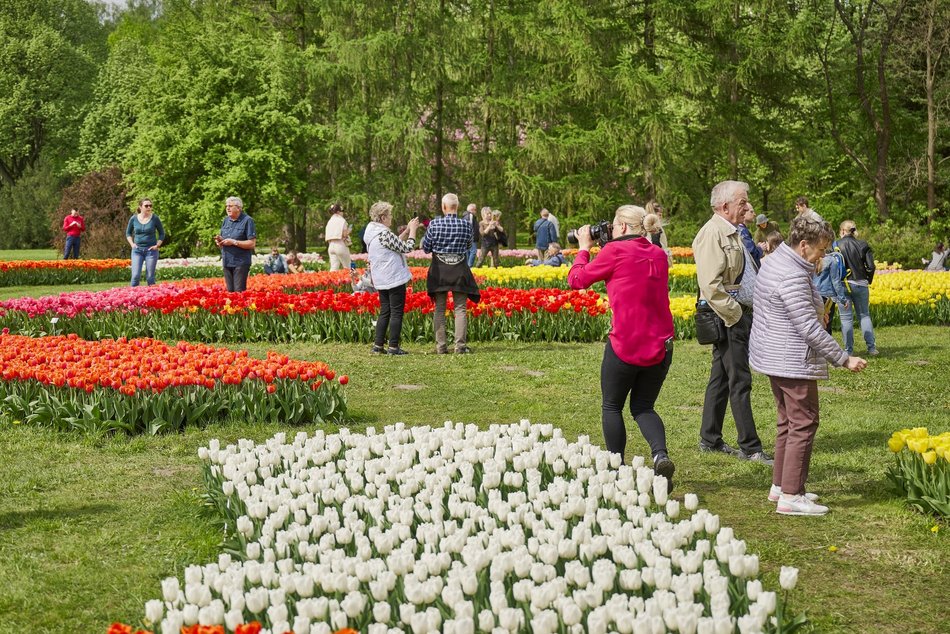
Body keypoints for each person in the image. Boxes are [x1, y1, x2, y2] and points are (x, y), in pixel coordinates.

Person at [750, 216, 867, 516]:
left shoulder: (777, 261)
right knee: (804, 422)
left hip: (774, 356)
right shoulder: (791, 273)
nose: (824, 255)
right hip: (791, 360)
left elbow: (794, 308)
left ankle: (780, 485)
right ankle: (791, 495)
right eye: (821, 249)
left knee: (787, 421)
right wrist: (844, 357)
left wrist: (817, 309)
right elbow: (809, 330)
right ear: (803, 246)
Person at [567, 205, 676, 485]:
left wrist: (583, 247)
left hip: (626, 343)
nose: (611, 232)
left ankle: (617, 467)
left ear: (624, 228)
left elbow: (577, 280)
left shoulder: (614, 252)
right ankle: (660, 454)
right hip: (661, 344)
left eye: (614, 227)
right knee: (643, 407)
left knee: (612, 406)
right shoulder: (658, 254)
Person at [693, 180, 772, 464]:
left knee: (722, 379)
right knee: (740, 380)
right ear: (724, 206)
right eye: (742, 202)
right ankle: (751, 448)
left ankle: (710, 439)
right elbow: (711, 286)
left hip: (733, 314)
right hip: (727, 316)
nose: (747, 207)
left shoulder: (732, 232)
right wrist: (736, 316)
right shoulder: (712, 234)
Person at [421, 193, 481, 354]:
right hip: (459, 270)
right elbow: (469, 246)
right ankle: (460, 346)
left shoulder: (434, 224)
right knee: (460, 309)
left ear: (443, 206)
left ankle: (441, 346)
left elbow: (426, 248)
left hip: (439, 271)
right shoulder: (465, 225)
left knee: (439, 309)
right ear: (457, 206)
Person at [365, 201, 422, 355]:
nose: (391, 218)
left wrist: (407, 229)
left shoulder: (374, 233)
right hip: (393, 277)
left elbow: (394, 242)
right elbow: (407, 247)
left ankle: (378, 346)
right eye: (389, 215)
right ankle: (393, 347)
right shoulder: (384, 234)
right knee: (396, 312)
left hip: (381, 278)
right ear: (383, 217)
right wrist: (413, 231)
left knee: (385, 311)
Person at [835, 220, 877, 356]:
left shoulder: (836, 245)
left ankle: (848, 351)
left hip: (843, 285)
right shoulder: (863, 244)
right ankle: (871, 348)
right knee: (864, 315)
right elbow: (871, 266)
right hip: (860, 284)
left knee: (846, 319)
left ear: (842, 231)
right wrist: (867, 280)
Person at [214, 196, 257, 292]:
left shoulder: (247, 220)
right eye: (226, 206)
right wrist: (220, 241)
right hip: (227, 261)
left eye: (230, 206)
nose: (227, 208)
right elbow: (224, 240)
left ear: (238, 208)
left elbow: (252, 243)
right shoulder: (226, 220)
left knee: (239, 292)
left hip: (240, 262)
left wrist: (233, 242)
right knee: (230, 292)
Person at [125, 198, 166, 287]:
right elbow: (128, 233)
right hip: (137, 251)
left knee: (150, 277)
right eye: (146, 206)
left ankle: (152, 298)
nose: (149, 207)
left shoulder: (155, 218)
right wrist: (132, 244)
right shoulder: (134, 218)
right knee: (135, 276)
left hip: (151, 251)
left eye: (150, 206)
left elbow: (162, 233)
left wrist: (157, 245)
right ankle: (132, 297)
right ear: (140, 207)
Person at [325, 202, 351, 271]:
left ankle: (331, 281)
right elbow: (344, 234)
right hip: (340, 244)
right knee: (348, 267)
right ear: (338, 212)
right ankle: (351, 281)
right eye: (342, 211)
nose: (343, 213)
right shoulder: (342, 220)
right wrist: (349, 231)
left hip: (331, 246)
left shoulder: (329, 221)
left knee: (333, 268)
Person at [462, 203, 480, 267]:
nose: (475, 211)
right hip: (471, 237)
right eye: (474, 209)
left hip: (466, 237)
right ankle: (469, 267)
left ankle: (466, 267)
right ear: (471, 210)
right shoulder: (470, 215)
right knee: (473, 251)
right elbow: (469, 226)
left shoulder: (465, 216)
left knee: (468, 252)